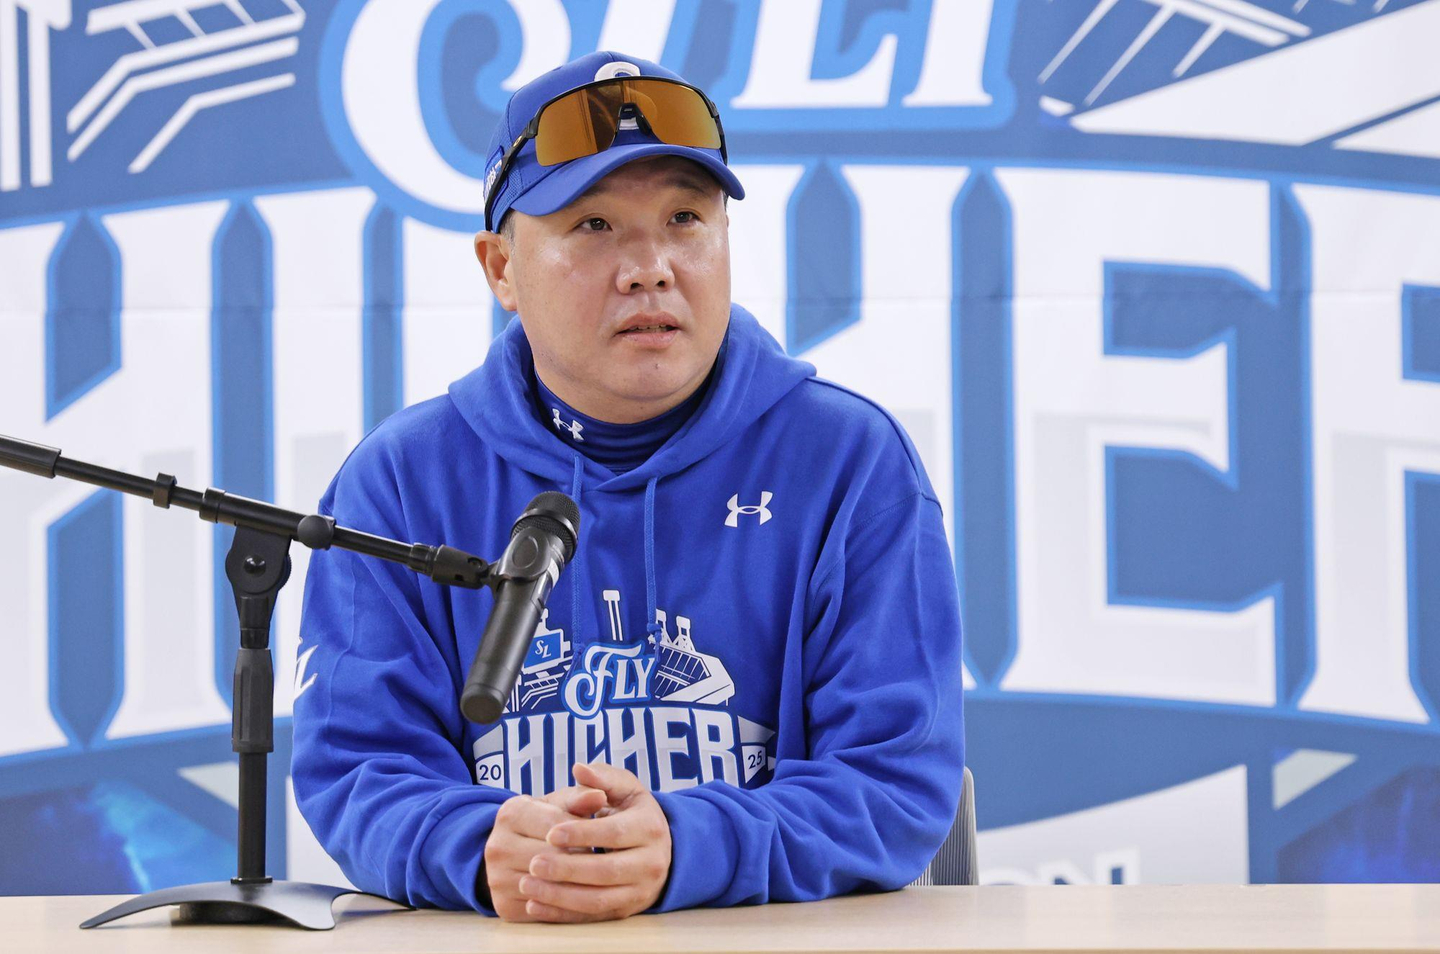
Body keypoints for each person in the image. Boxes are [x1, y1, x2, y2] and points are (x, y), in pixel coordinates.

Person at [291, 50, 965, 924]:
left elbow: (895, 784)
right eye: (594, 226)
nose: (650, 266)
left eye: (686, 218)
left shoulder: (850, 463)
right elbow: (358, 769)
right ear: (501, 269)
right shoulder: (399, 481)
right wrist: (487, 849)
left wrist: (688, 847)